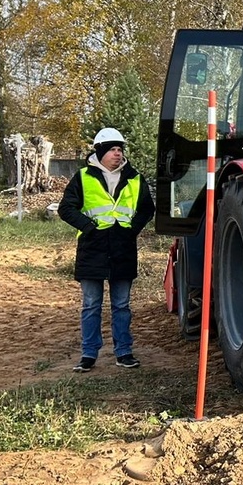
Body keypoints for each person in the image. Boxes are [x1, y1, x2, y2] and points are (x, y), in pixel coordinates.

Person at [58, 127, 156, 372]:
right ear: (100, 151)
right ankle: (89, 354)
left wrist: (131, 229)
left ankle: (124, 352)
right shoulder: (82, 177)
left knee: (121, 305)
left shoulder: (134, 178)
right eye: (112, 149)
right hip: (93, 249)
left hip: (123, 249)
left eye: (120, 149)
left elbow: (147, 208)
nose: (117, 153)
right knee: (91, 304)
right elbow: (66, 208)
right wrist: (89, 227)